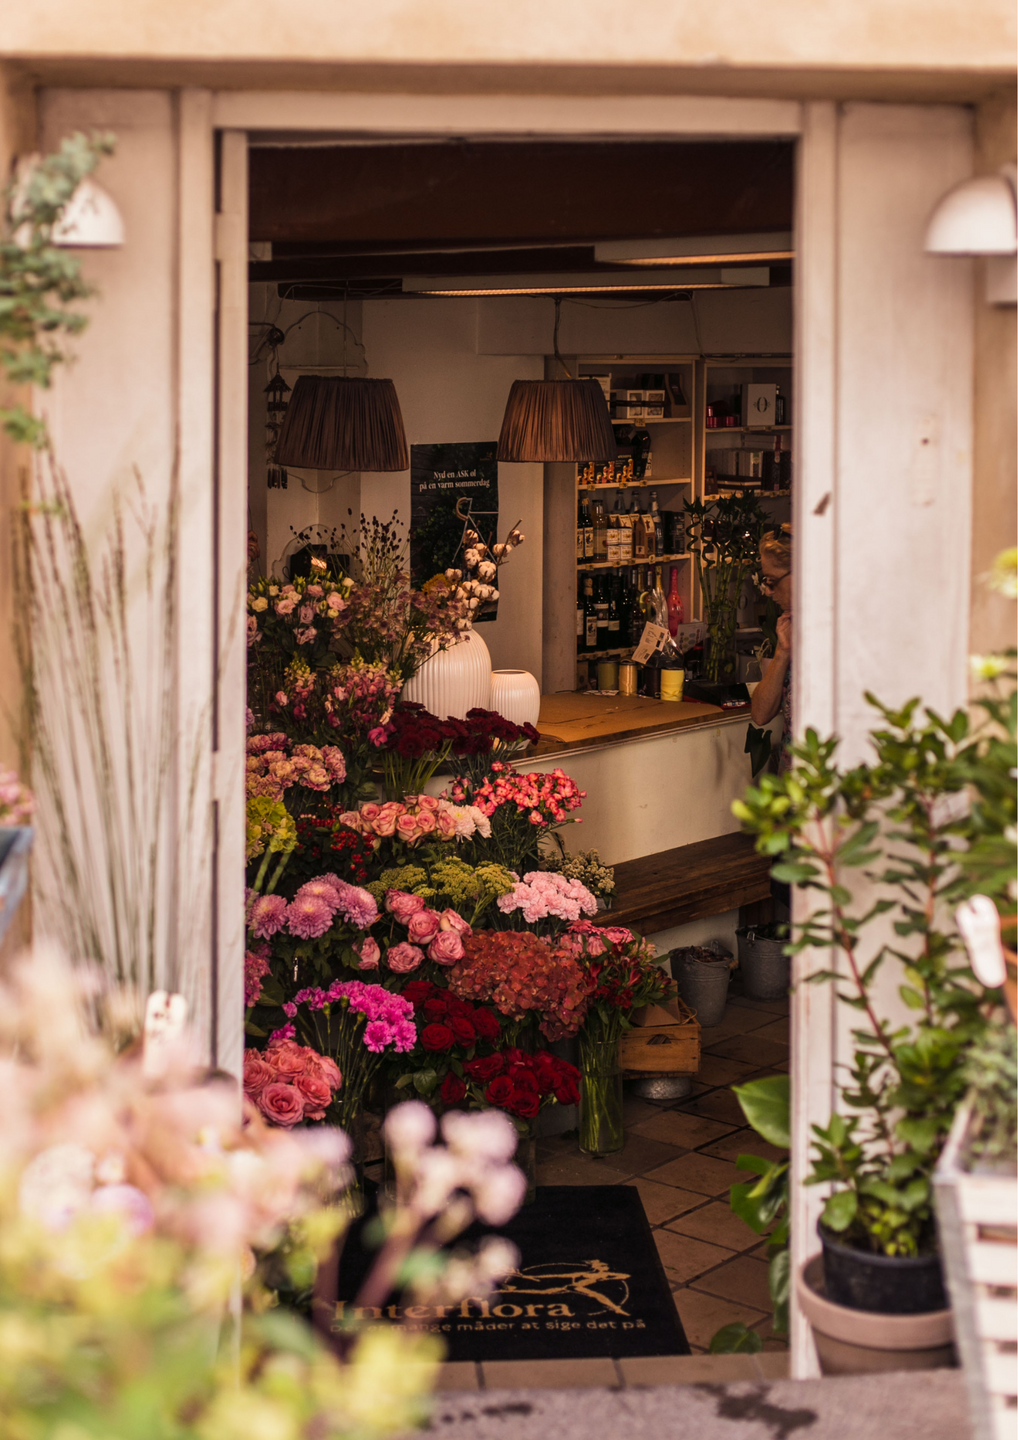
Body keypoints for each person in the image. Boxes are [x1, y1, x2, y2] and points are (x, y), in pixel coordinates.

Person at [750, 525, 793, 772]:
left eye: (773, 581)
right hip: (794, 785)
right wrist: (782, 653)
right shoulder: (790, 629)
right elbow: (761, 714)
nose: (767, 591)